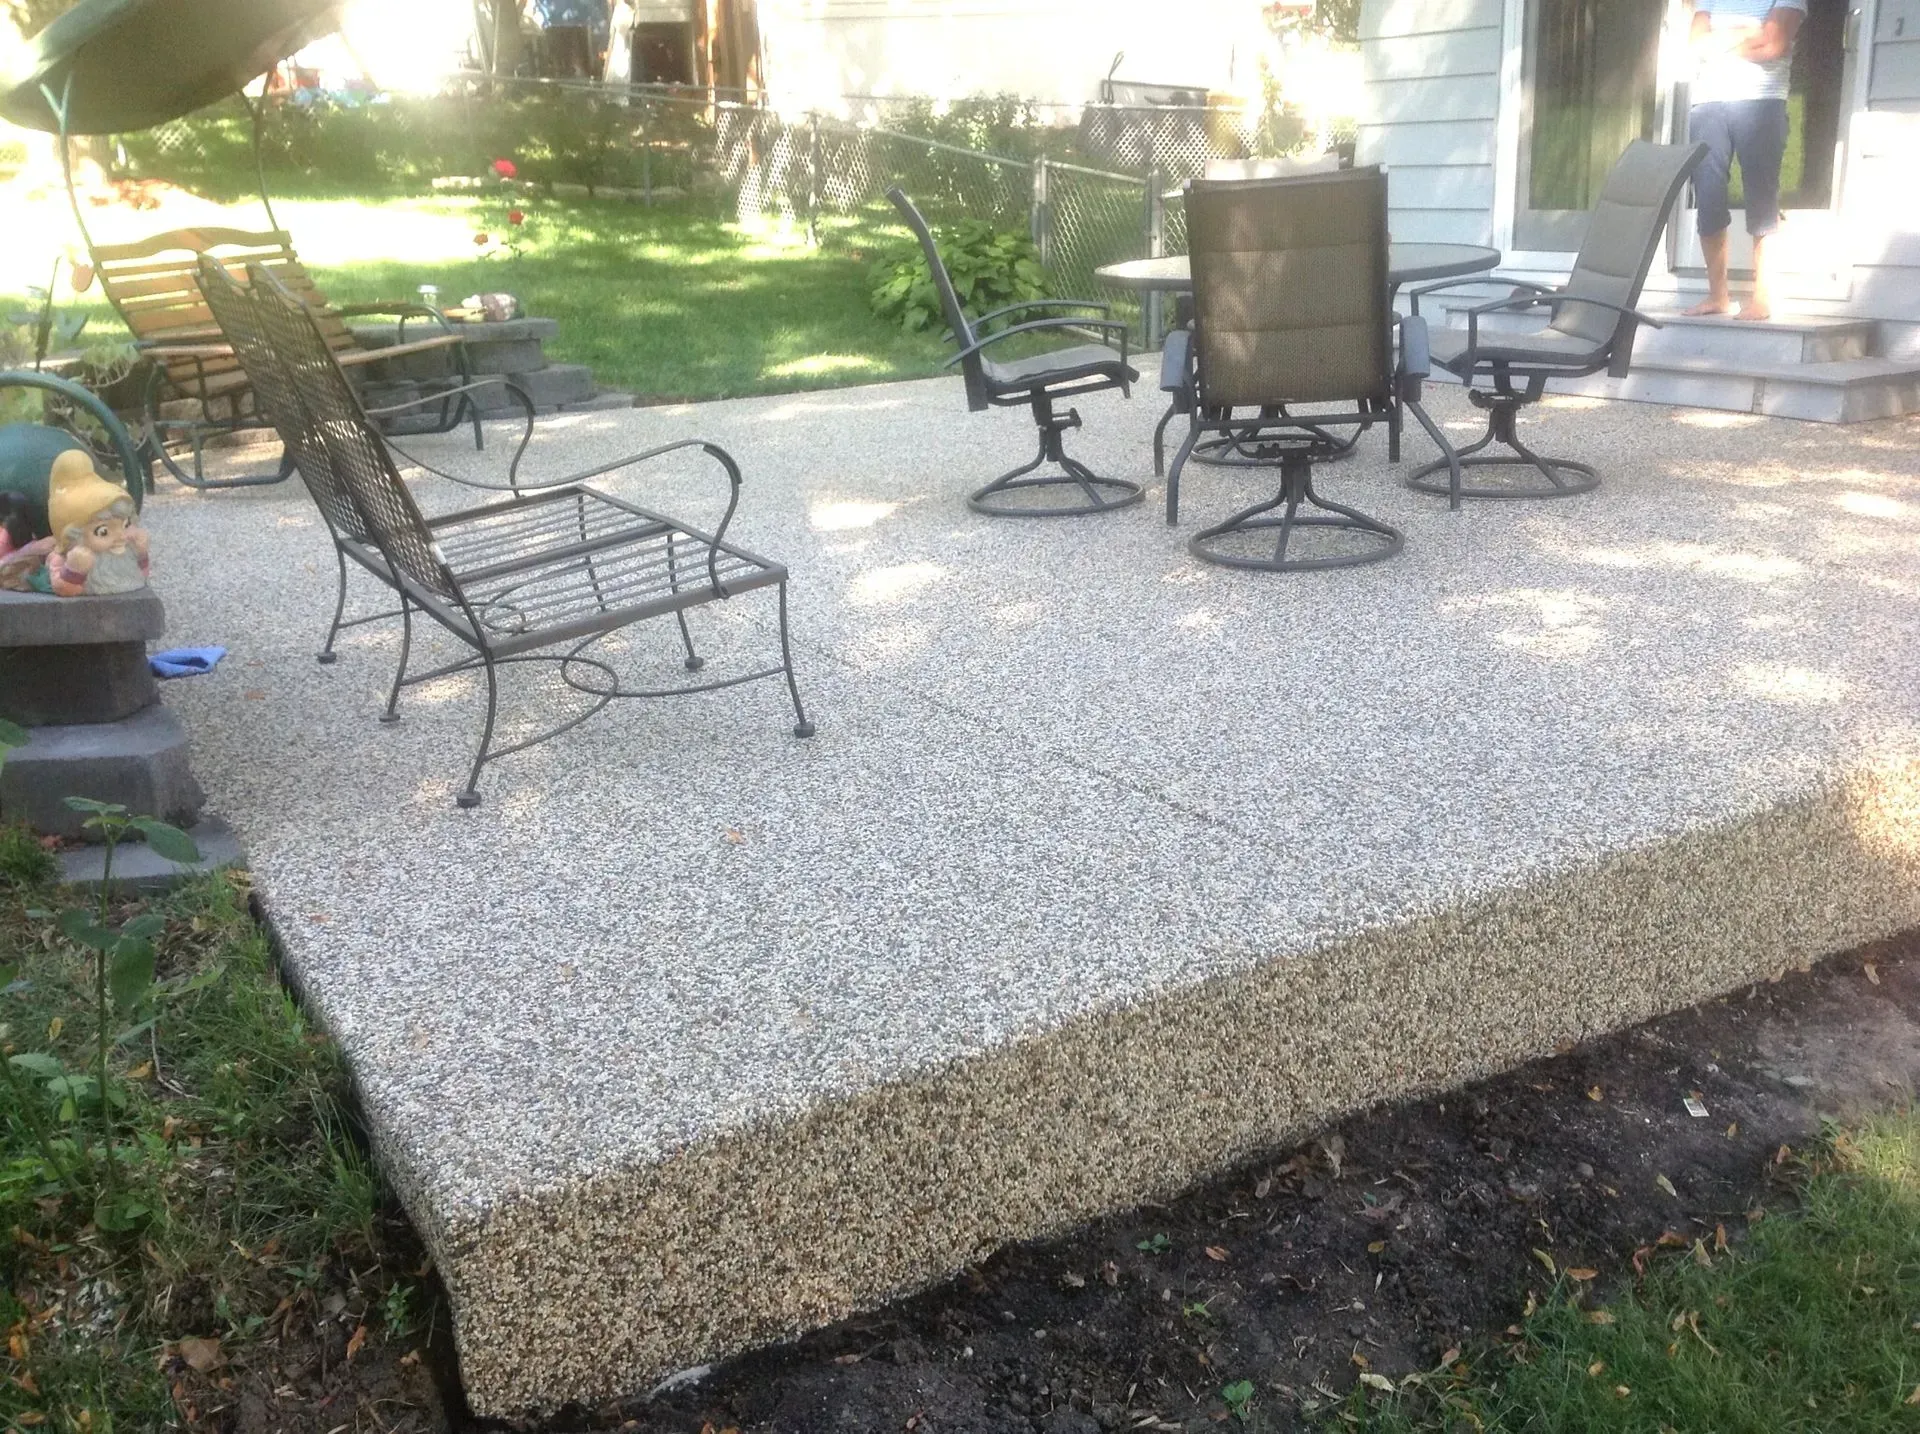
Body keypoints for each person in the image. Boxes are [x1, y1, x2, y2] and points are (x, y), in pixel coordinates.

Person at [1686, 0, 1807, 320]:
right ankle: (1718, 296)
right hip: (1708, 104)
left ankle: (1762, 298)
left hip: (1762, 101)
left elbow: (1773, 45)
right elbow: (1697, 45)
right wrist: (1750, 32)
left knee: (1761, 198)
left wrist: (1721, 41)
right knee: (1708, 196)